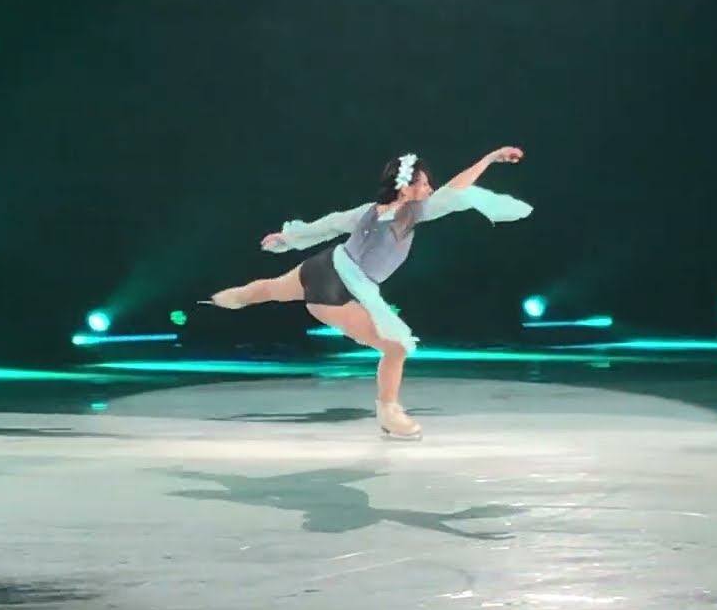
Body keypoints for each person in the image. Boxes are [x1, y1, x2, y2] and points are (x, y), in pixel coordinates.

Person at [204, 147, 532, 439]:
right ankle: (389, 412)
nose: (430, 190)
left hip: (324, 266)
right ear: (405, 187)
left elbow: (330, 224)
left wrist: (286, 239)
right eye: (423, 184)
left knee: (269, 289)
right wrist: (490, 158)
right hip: (336, 289)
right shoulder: (411, 212)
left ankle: (225, 299)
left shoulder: (370, 210)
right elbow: (456, 188)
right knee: (395, 346)